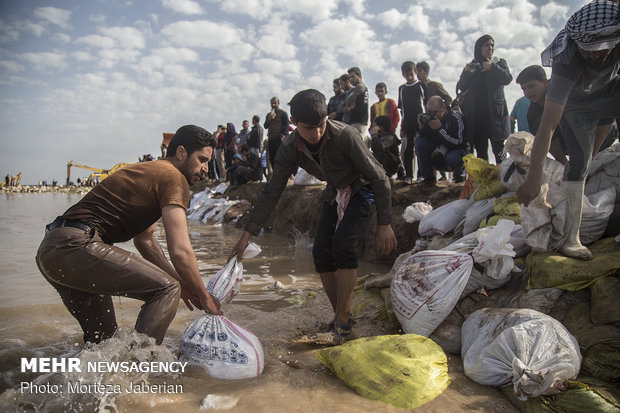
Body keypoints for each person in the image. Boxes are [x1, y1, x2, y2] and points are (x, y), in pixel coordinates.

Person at [229, 89, 397, 345]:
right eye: (309, 128)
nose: (317, 133)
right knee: (320, 252)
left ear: (326, 118)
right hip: (335, 190)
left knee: (343, 245)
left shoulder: (345, 135)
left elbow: (380, 178)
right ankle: (342, 319)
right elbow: (272, 192)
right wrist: (245, 236)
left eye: (321, 126)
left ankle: (341, 322)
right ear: (295, 123)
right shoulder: (289, 147)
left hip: (364, 188)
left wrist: (384, 222)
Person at [35, 125, 222, 345]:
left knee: (103, 341)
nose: (206, 169)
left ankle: (112, 376)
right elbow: (180, 250)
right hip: (76, 245)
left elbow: (146, 241)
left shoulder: (151, 171)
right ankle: (140, 367)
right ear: (181, 152)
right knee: (167, 289)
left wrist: (184, 284)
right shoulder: (174, 178)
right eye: (202, 160)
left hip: (53, 250)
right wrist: (203, 295)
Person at [517, 1, 620, 261]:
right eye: (588, 51)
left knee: (592, 158)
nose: (595, 55)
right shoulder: (566, 63)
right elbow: (547, 127)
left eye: (601, 49)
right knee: (580, 163)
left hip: (611, 91)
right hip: (578, 104)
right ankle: (571, 237)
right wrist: (533, 178)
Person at [457, 34, 512, 163]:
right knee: (481, 152)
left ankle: (503, 179)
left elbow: (507, 79)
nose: (490, 47)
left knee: (499, 150)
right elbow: (461, 86)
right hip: (478, 117)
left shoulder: (499, 63)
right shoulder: (472, 66)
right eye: (487, 45)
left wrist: (492, 67)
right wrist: (466, 72)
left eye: (492, 45)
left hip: (496, 115)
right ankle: (486, 180)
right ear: (479, 48)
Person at [516, 65, 568, 165]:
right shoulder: (532, 114)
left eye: (531, 86)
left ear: (545, 82)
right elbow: (541, 143)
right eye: (524, 89)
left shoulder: (564, 93)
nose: (527, 92)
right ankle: (565, 166)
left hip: (590, 141)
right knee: (541, 129)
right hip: (564, 148)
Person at [414, 96, 468, 184]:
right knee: (419, 143)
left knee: (452, 159)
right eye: (429, 112)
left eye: (435, 112)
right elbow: (423, 142)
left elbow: (459, 142)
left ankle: (460, 173)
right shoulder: (430, 119)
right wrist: (421, 128)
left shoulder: (455, 117)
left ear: (444, 107)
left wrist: (440, 129)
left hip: (455, 150)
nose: (433, 115)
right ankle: (429, 178)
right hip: (439, 150)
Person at [398, 61, 429, 184]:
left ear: (415, 71)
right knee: (408, 149)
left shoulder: (422, 86)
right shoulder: (402, 89)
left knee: (421, 148)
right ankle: (409, 175)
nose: (409, 77)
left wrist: (426, 121)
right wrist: (402, 125)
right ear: (403, 74)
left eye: (411, 74)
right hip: (408, 122)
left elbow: (426, 105)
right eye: (406, 75)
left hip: (420, 122)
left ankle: (422, 175)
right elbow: (401, 109)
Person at [263, 96, 290, 168]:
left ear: (278, 103)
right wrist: (269, 119)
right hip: (271, 139)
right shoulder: (269, 115)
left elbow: (286, 125)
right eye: (272, 103)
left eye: (275, 103)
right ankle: (276, 174)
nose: (273, 104)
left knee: (281, 157)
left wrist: (283, 135)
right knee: (272, 158)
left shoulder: (283, 113)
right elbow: (265, 126)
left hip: (280, 139)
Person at [345, 67, 370, 136]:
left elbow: (348, 101)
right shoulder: (360, 88)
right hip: (358, 121)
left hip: (358, 122)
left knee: (356, 144)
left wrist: (348, 106)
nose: (351, 79)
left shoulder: (360, 87)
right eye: (349, 77)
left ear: (359, 76)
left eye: (353, 77)